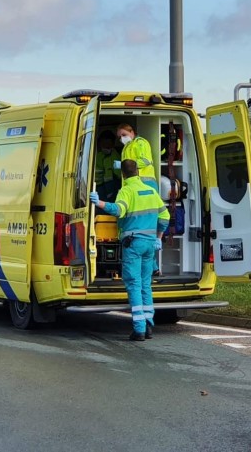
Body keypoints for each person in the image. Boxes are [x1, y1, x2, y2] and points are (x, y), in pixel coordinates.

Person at [90, 159, 169, 341]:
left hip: (133, 244)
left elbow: (118, 210)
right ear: (138, 172)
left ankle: (139, 329)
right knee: (145, 284)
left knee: (133, 284)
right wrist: (158, 237)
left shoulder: (126, 190)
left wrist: (99, 202)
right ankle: (149, 325)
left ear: (123, 174)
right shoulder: (151, 191)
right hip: (150, 244)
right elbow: (165, 215)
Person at [116, 123, 158, 192]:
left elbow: (146, 161)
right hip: (134, 184)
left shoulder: (140, 143)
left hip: (144, 183)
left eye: (124, 135)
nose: (122, 138)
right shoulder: (127, 146)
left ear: (132, 132)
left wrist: (124, 165)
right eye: (119, 137)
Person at [93, 130, 122, 201]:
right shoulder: (96, 155)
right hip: (97, 187)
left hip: (112, 187)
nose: (106, 147)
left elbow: (119, 175)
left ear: (113, 144)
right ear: (100, 144)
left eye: (108, 145)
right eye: (104, 144)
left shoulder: (116, 156)